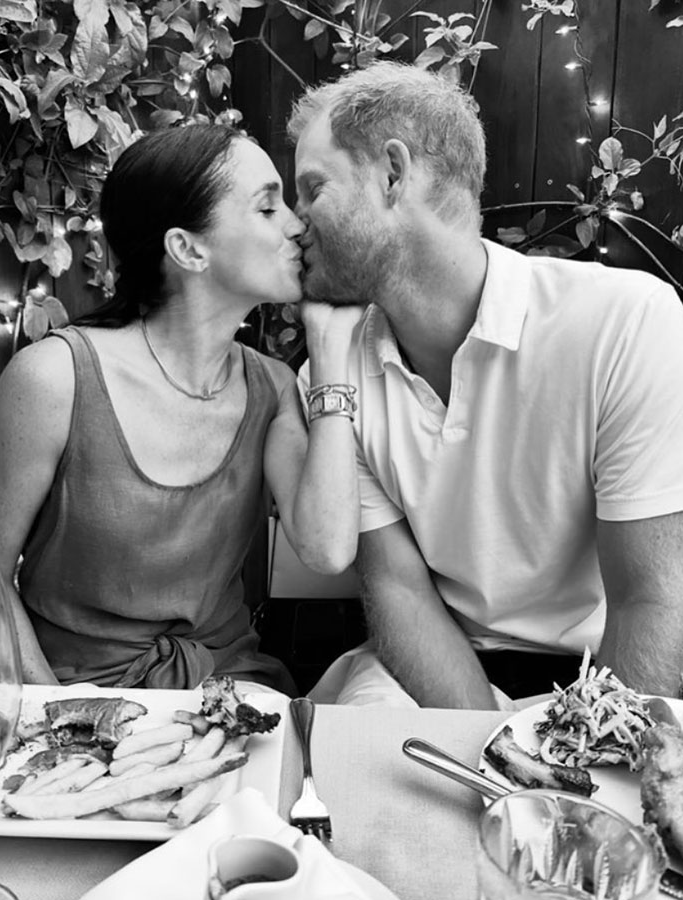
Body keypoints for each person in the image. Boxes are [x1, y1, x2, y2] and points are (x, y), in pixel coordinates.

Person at [289, 61, 683, 709]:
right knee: (359, 739)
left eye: (312, 188)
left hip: (603, 674)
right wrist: (488, 745)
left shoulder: (625, 322)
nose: (294, 221)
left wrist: (578, 756)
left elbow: (652, 598)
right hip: (436, 669)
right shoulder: (334, 373)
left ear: (393, 174)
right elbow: (399, 590)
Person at [0, 123, 362, 693]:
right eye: (267, 208)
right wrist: (57, 715)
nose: (296, 224)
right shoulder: (54, 378)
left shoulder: (274, 387)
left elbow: (327, 549)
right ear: (188, 249)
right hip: (69, 699)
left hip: (228, 696)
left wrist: (330, 353)